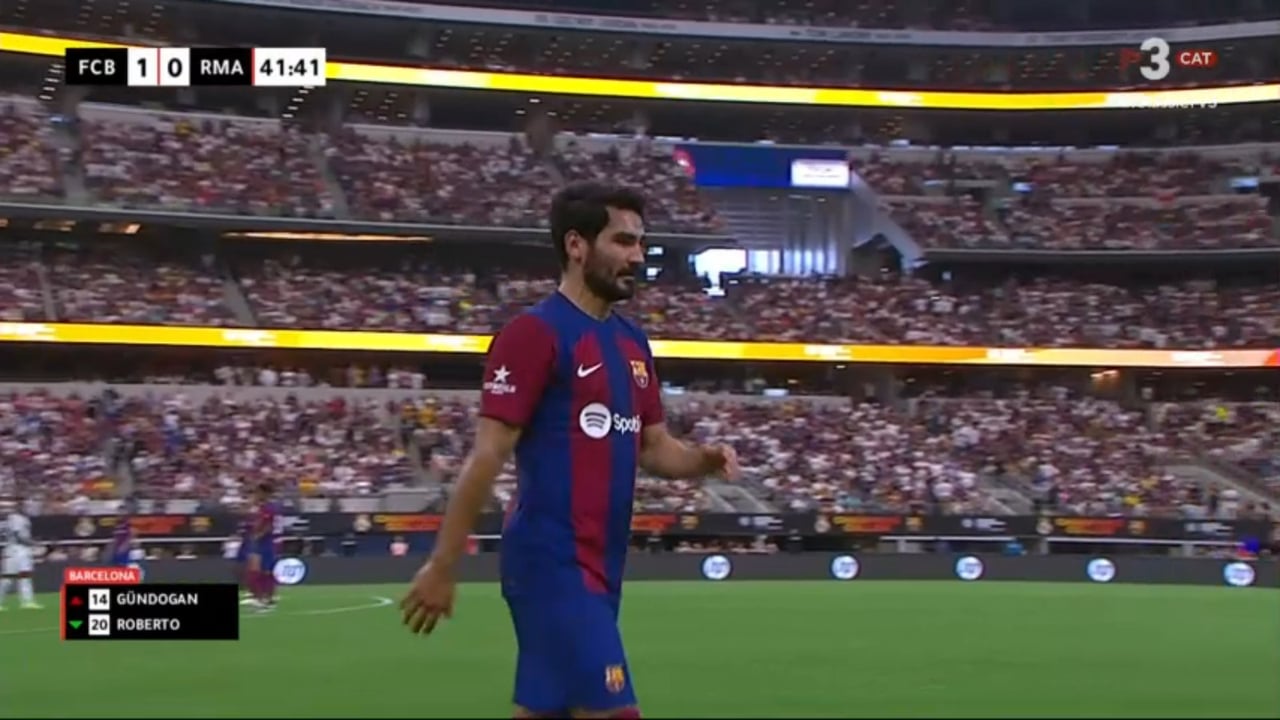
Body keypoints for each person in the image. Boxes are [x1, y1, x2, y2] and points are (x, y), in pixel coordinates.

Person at [400, 182, 740, 719]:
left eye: (641, 243)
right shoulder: (533, 335)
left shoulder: (632, 343)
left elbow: (654, 448)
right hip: (550, 563)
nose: (637, 256)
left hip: (602, 566)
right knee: (613, 709)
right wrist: (442, 565)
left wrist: (703, 459)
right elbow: (486, 457)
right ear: (576, 245)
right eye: (623, 241)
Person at [0, 497, 41, 610]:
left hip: (23, 550)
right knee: (7, 578)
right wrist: (32, 543)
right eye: (25, 506)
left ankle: (27, 601)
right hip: (15, 549)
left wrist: (30, 543)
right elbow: (18, 536)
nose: (28, 508)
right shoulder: (15, 518)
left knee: (25, 576)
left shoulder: (23, 518)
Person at [246, 483, 280, 610]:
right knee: (255, 571)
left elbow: (268, 526)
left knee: (265, 571)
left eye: (258, 492)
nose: (256, 495)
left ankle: (267, 599)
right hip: (260, 542)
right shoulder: (261, 507)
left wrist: (258, 535)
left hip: (266, 542)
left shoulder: (269, 508)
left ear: (265, 493)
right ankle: (260, 597)